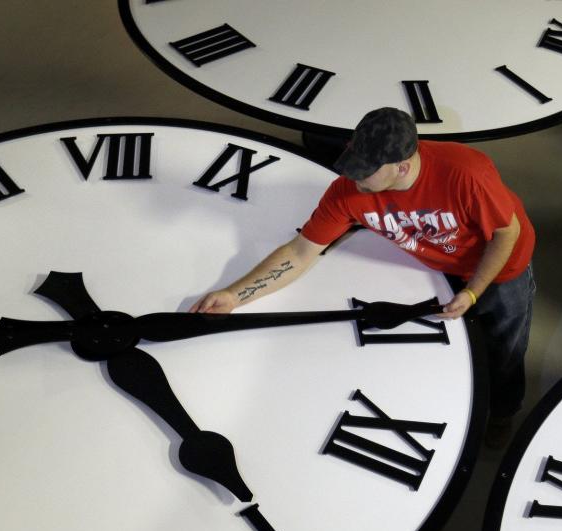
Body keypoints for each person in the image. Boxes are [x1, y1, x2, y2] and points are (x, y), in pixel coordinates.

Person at [190, 107, 535, 446]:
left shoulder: (465, 174)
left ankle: (503, 413)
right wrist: (235, 295)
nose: (355, 179)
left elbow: (507, 234)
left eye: (366, 172)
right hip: (439, 264)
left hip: (501, 267)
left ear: (402, 167)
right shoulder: (348, 192)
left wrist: (474, 291)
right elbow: (299, 252)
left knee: (504, 347)